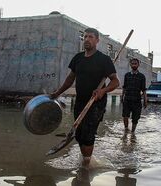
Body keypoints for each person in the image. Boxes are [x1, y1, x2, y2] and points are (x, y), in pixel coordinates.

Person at [50, 27, 120, 167]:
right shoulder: (78, 58)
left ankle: (85, 168)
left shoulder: (103, 59)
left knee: (88, 135)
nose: (87, 39)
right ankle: (86, 160)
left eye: (90, 37)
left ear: (97, 40)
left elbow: (115, 81)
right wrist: (57, 93)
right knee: (80, 134)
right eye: (85, 37)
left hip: (95, 103)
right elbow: (70, 79)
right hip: (80, 101)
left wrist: (102, 91)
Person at [121, 58, 147, 133]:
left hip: (137, 101)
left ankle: (133, 132)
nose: (134, 65)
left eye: (135, 63)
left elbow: (144, 90)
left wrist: (145, 101)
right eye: (132, 63)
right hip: (127, 100)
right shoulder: (127, 75)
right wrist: (122, 97)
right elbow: (124, 87)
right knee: (125, 116)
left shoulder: (142, 76)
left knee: (135, 118)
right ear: (130, 64)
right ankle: (126, 130)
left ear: (138, 65)